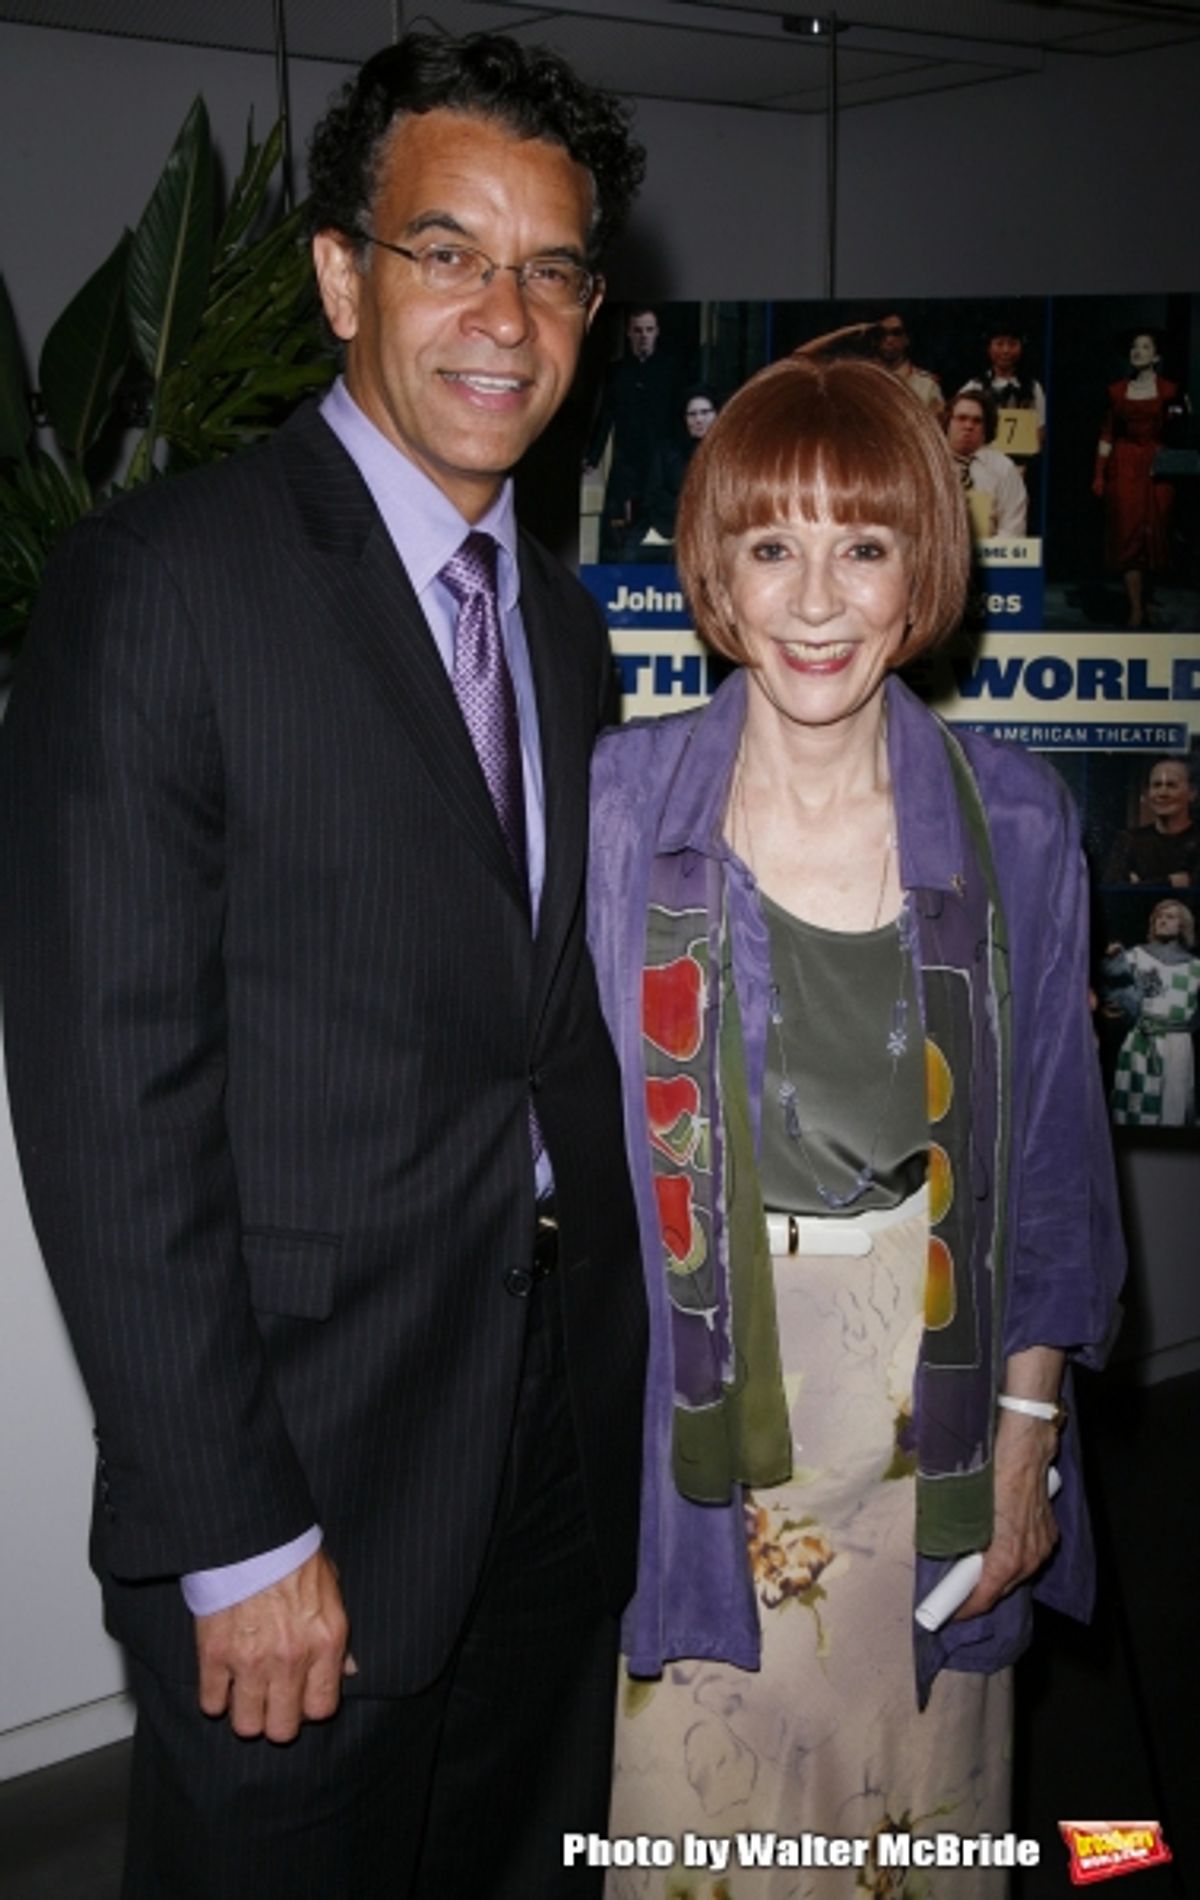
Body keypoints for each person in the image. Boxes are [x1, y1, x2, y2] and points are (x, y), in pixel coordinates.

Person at [0, 31, 648, 1900]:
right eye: (449, 251)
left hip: (548, 1444)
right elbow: (109, 1112)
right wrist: (233, 1532)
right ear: (344, 275)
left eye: (550, 270)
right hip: (307, 1475)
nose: (503, 316)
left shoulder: (560, 623)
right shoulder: (162, 587)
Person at [587, 352, 1123, 1894]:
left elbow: (1053, 1164)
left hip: (933, 1432)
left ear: (922, 573)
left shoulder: (1013, 818)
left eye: (865, 546)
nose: (817, 599)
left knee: (915, 1844)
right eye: (772, 547)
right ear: (718, 573)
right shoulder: (625, 809)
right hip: (699, 1442)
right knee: (706, 1849)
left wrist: (1027, 1444)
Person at [1092, 329, 1184, 629]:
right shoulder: (1116, 391)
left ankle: (1147, 600)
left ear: (1156, 356)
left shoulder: (1170, 390)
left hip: (1158, 466)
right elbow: (1106, 434)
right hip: (1125, 464)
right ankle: (1135, 609)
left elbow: (1179, 430)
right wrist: (1099, 472)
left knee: (1155, 537)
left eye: (1145, 347)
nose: (1137, 351)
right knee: (1127, 535)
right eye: (1134, 347)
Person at [585, 306, 687, 558]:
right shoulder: (617, 371)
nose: (644, 336)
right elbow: (606, 415)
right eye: (638, 330)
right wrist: (592, 456)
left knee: (661, 528)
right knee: (617, 529)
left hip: (660, 463)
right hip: (626, 461)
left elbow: (678, 416)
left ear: (657, 332)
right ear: (629, 334)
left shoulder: (671, 369)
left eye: (649, 330)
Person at [1105, 899, 1200, 1126]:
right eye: (1159, 916)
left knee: (1174, 1106)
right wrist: (1112, 958)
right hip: (1141, 1041)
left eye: (1170, 916)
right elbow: (1108, 981)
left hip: (1177, 1043)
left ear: (1183, 926)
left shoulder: (1196, 967)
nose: (1162, 920)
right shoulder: (1136, 955)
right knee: (1136, 1105)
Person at [637, 383, 720, 554]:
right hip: (671, 534)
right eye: (692, 414)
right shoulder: (667, 452)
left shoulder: (730, 454)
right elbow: (653, 495)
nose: (698, 419)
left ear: (717, 414)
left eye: (705, 412)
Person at [1103, 755, 1199, 887]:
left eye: (1171, 785)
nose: (1162, 793)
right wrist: (1170, 882)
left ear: (1192, 793)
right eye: (1156, 785)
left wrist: (1139, 884)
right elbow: (1113, 892)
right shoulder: (1129, 841)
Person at [945, 387, 1029, 538]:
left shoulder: (1004, 467)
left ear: (986, 427)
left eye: (977, 421)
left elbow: (1013, 529)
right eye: (961, 418)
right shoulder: (928, 464)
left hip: (990, 556)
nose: (968, 426)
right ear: (948, 422)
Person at [961, 320, 1046, 454]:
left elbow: (1040, 429)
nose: (1006, 350)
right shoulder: (975, 386)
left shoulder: (1033, 387)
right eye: (999, 344)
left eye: (1012, 344)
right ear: (989, 348)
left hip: (1021, 463)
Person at [872, 309, 943, 413]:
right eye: (881, 333)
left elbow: (936, 427)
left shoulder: (927, 387)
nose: (888, 339)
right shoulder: (862, 380)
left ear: (907, 339)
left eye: (896, 333)